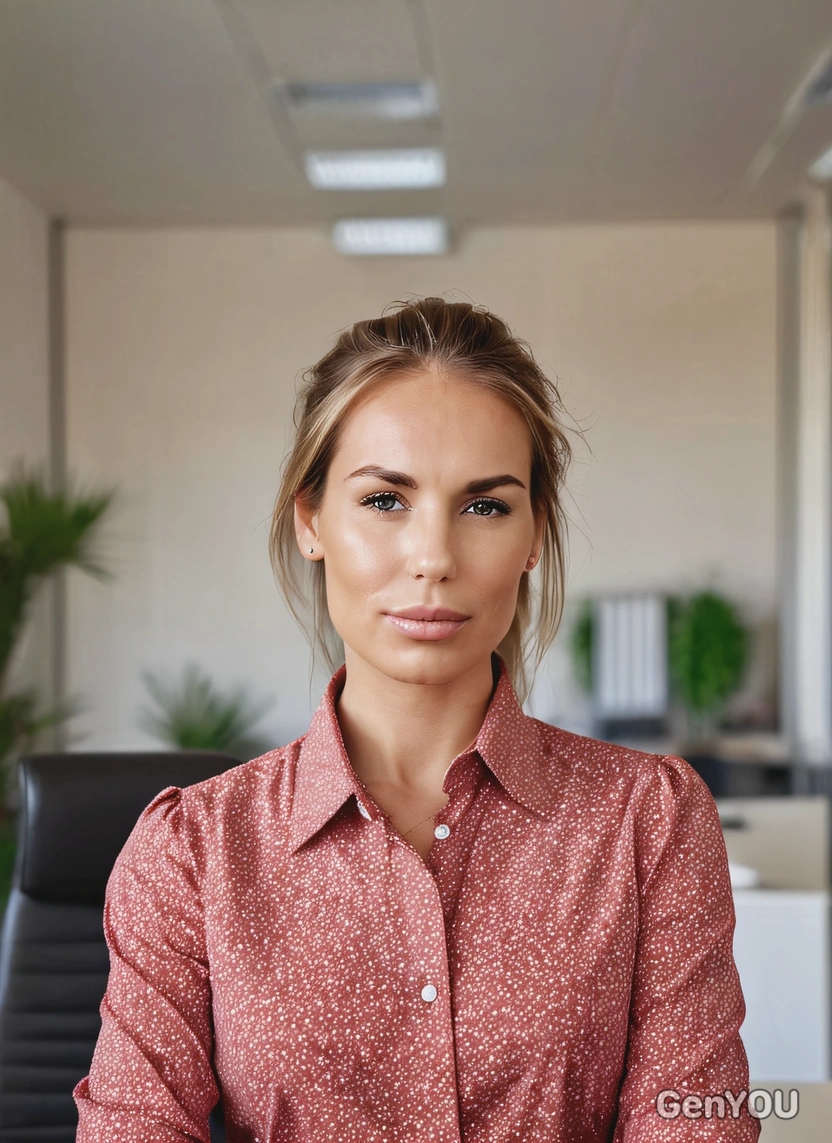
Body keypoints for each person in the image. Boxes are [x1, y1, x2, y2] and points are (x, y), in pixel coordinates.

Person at [73, 297, 760, 1141]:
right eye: (385, 501)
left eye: (485, 507)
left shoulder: (648, 820)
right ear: (311, 520)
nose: (433, 557)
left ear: (535, 532)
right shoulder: (193, 853)